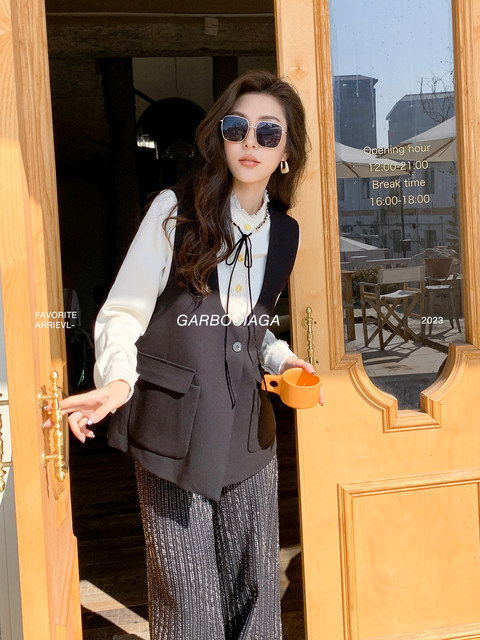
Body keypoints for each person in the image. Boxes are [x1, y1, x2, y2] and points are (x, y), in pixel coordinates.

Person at [59, 69, 316, 639]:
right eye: (237, 127)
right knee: (188, 602)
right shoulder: (174, 210)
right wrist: (117, 381)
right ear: (220, 137)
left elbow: (250, 327)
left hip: (249, 434)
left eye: (268, 133)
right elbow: (123, 311)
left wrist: (280, 360)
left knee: (256, 594)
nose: (250, 142)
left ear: (286, 153)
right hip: (172, 428)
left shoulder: (286, 234)